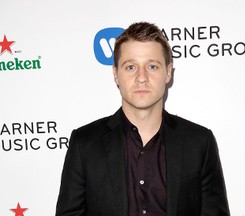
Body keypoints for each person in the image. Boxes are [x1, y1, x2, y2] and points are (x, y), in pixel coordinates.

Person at [55, 21, 230, 216]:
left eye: (152, 66)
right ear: (115, 74)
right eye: (130, 67)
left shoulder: (199, 142)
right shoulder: (84, 143)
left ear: (168, 72)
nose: (141, 77)